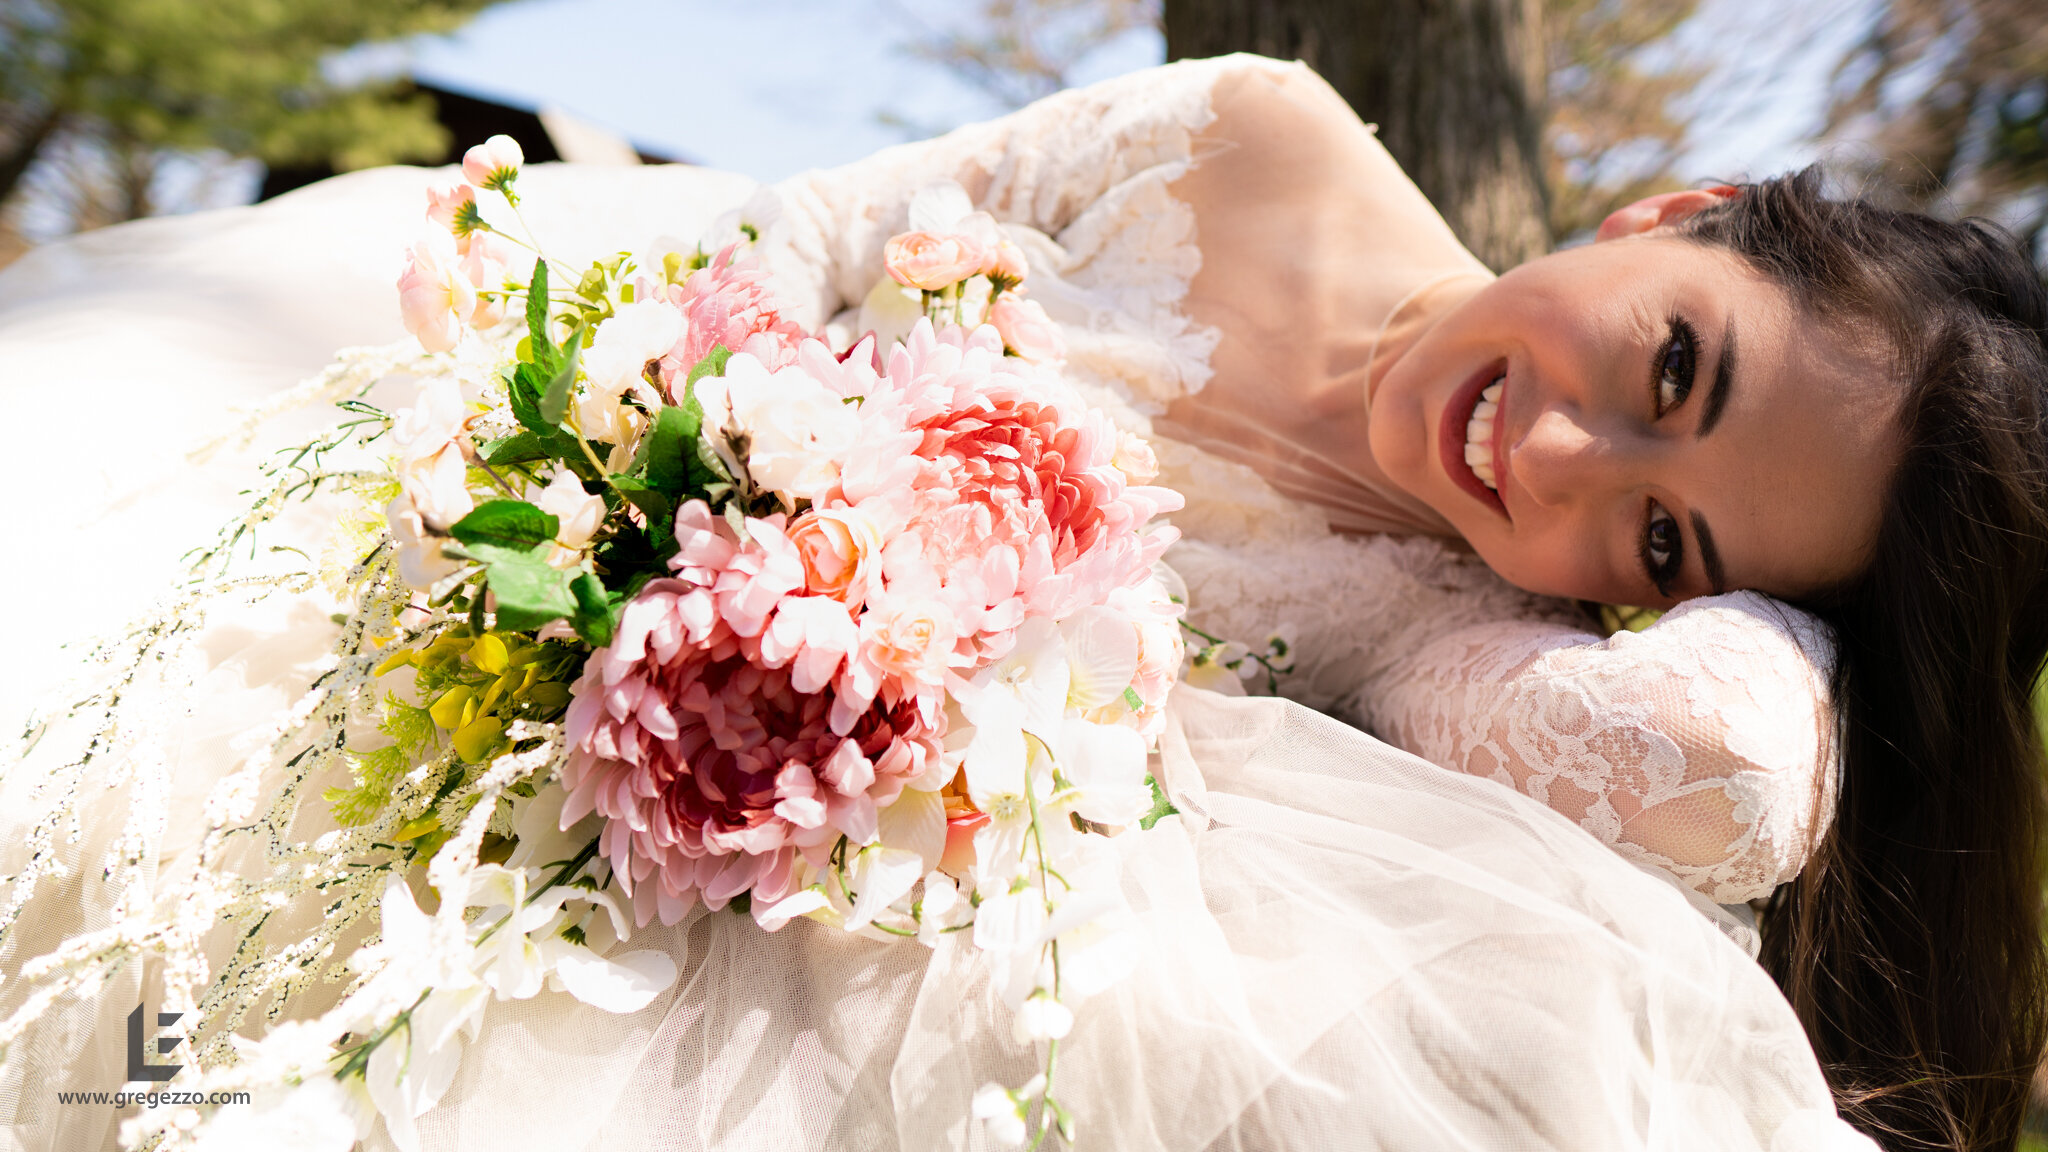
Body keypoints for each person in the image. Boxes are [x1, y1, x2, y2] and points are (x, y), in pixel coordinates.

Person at [0, 52, 2039, 1151]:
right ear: (1671, 217)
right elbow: (815, 230)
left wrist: (1794, 641)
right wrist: (694, 446)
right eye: (1671, 363)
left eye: (1667, 547)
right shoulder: (1262, 135)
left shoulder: (1448, 629)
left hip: (750, 831)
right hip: (620, 495)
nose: (1573, 465)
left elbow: (1714, 772)